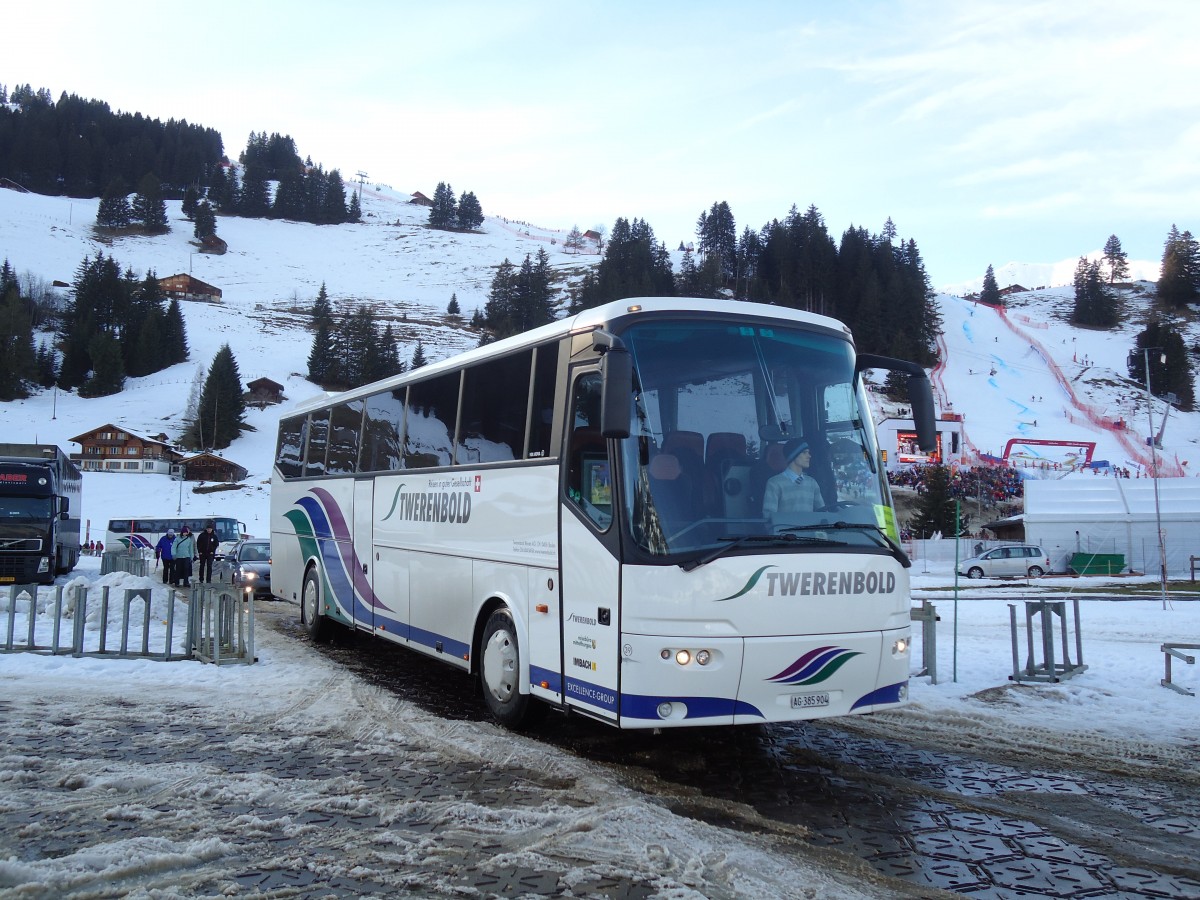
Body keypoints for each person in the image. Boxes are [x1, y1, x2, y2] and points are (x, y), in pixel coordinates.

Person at [763, 440, 824, 525]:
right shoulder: (774, 483)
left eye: (808, 453)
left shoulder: (812, 483)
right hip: (785, 535)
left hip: (809, 534)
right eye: (804, 452)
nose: (809, 456)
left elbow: (823, 511)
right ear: (793, 455)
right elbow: (768, 517)